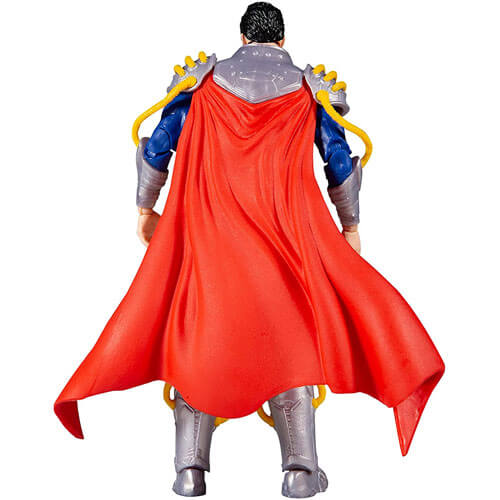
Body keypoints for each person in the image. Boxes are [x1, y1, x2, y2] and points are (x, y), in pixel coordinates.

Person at [55, 3, 444, 497]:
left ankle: (189, 470)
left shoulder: (200, 83)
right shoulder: (309, 89)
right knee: (291, 341)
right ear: (281, 41)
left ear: (242, 37)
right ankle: (301, 471)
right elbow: (340, 161)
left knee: (195, 338)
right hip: (286, 240)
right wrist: (350, 226)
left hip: (208, 237)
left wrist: (145, 208)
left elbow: (157, 147)